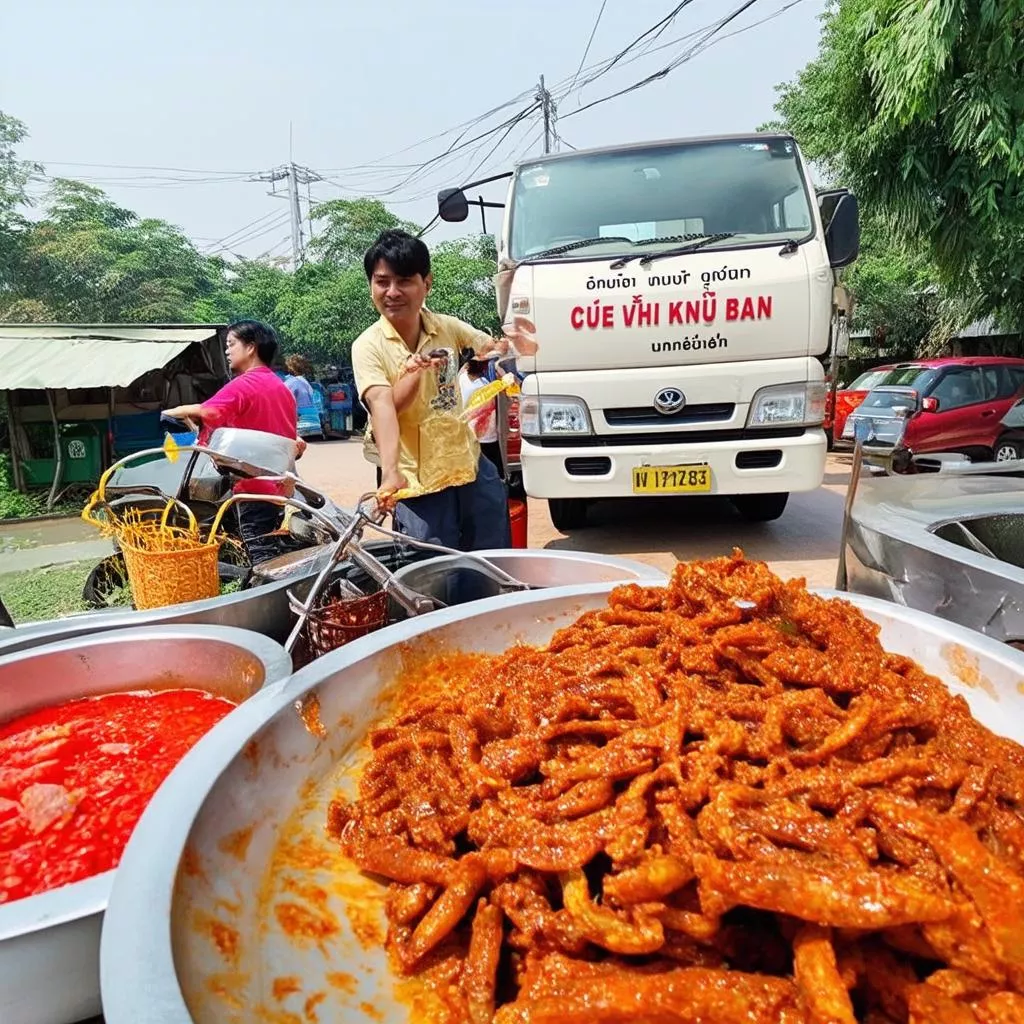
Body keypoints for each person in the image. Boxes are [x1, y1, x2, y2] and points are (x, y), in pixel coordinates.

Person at [352, 229, 537, 550]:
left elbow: (492, 348)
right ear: (371, 286)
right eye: (382, 282)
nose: (392, 291)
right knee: (432, 576)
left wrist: (515, 344)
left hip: (470, 467)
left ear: (426, 283)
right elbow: (385, 407)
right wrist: (391, 472)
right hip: (417, 482)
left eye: (404, 280)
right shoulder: (367, 346)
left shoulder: (446, 327)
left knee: (491, 563)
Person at [165, 320, 304, 565]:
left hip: (254, 489)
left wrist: (171, 412)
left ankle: (272, 598)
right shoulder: (281, 388)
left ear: (251, 348)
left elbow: (209, 412)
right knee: (274, 551)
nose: (227, 351)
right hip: (283, 488)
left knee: (262, 558)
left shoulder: (243, 385)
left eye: (231, 344)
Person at [459, 354, 503, 476]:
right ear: (484, 367)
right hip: (485, 436)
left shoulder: (462, 379)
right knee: (493, 469)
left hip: (467, 432)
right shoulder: (484, 386)